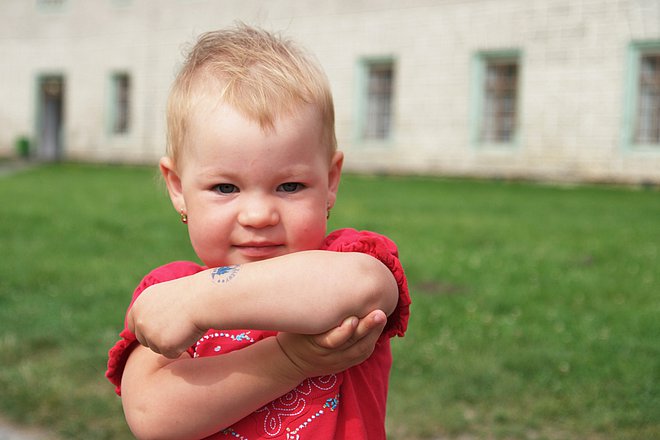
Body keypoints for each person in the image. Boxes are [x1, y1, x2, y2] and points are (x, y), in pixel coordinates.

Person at [106, 24, 410, 440]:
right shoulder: (169, 291)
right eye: (225, 188)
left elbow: (361, 288)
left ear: (330, 180)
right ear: (178, 187)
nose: (259, 214)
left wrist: (206, 299)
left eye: (289, 186)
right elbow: (150, 415)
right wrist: (287, 360)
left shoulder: (344, 260)